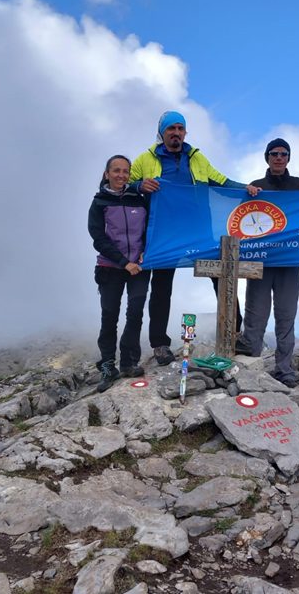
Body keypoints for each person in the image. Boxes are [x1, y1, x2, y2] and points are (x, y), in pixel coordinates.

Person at [129, 111, 259, 365]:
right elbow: (124, 184)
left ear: (185, 132)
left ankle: (235, 333)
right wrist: (139, 186)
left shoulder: (197, 158)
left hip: (199, 231)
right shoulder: (145, 158)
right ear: (162, 133)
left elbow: (222, 181)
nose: (176, 133)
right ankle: (159, 344)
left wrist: (247, 188)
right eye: (171, 129)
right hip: (164, 232)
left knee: (222, 275)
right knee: (161, 287)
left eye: (180, 128)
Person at [235, 139, 299, 388]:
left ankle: (285, 370)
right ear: (267, 157)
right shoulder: (256, 187)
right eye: (274, 154)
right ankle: (250, 368)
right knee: (255, 315)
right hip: (261, 259)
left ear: (289, 158)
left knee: (286, 315)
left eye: (284, 154)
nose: (279, 157)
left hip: (290, 259)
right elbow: (241, 220)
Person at [88, 154, 150, 392]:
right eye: (116, 170)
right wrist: (124, 262)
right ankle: (107, 365)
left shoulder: (139, 199)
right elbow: (98, 238)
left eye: (125, 171)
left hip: (140, 267)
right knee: (109, 316)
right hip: (110, 268)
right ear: (107, 174)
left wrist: (146, 250)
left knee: (135, 313)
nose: (121, 175)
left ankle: (128, 362)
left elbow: (149, 228)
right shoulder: (99, 202)